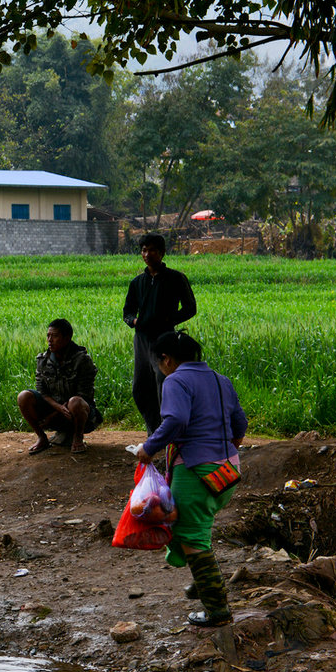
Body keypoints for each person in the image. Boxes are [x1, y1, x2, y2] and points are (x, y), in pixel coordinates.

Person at [135, 331, 247, 627]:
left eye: (159, 363)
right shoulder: (221, 380)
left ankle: (217, 610)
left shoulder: (175, 380)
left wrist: (148, 448)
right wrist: (224, 449)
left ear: (166, 359)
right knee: (194, 531)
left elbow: (176, 420)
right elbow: (240, 423)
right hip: (227, 471)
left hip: (196, 472)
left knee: (193, 538)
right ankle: (205, 580)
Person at [123, 234, 197, 434]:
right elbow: (127, 312)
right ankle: (153, 430)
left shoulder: (176, 278)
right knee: (140, 387)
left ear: (162, 253)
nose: (147, 254)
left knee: (164, 385)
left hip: (165, 339)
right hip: (142, 339)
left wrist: (169, 320)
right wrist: (135, 321)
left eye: (152, 250)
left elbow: (190, 308)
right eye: (144, 250)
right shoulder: (137, 282)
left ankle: (169, 432)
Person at [17, 318, 103, 455]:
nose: (50, 340)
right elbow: (41, 390)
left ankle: (78, 437)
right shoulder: (43, 360)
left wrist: (53, 415)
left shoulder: (82, 360)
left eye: (55, 336)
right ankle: (42, 438)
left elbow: (84, 395)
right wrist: (56, 408)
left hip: (78, 412)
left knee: (75, 401)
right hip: (54, 408)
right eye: (48, 336)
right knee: (23, 397)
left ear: (67, 338)